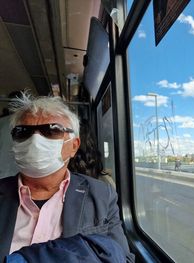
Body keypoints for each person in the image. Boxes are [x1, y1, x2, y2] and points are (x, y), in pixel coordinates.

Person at [0, 92, 134, 262]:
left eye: (51, 130)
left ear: (74, 146)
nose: (35, 140)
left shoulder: (101, 195)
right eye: (23, 132)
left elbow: (123, 258)